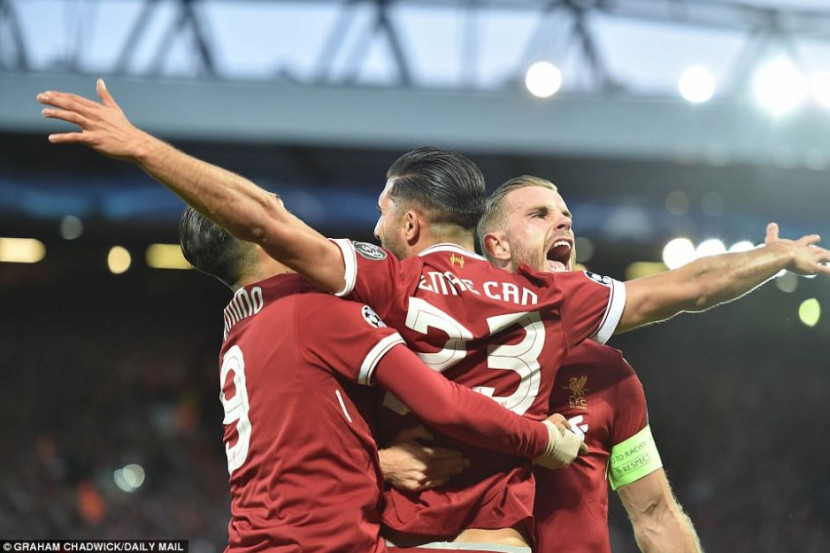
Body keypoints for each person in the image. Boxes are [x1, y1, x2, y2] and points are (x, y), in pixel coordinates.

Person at [37, 80, 830, 550]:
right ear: (491, 235)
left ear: (411, 224)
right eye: (540, 211)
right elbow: (687, 288)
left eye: (385, 210)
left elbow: (266, 223)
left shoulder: (383, 287)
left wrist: (145, 148)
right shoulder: (552, 305)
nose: (561, 224)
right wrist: (771, 259)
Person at [177, 206, 584, 553]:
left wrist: (377, 462)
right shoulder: (311, 310)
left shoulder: (240, 332)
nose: (297, 222)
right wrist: (542, 439)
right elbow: (442, 402)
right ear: (265, 236)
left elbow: (293, 453)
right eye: (280, 213)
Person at [477, 175, 703, 552]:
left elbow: (655, 514)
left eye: (565, 215)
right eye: (539, 215)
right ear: (497, 245)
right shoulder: (453, 350)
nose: (563, 222)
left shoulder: (607, 372)